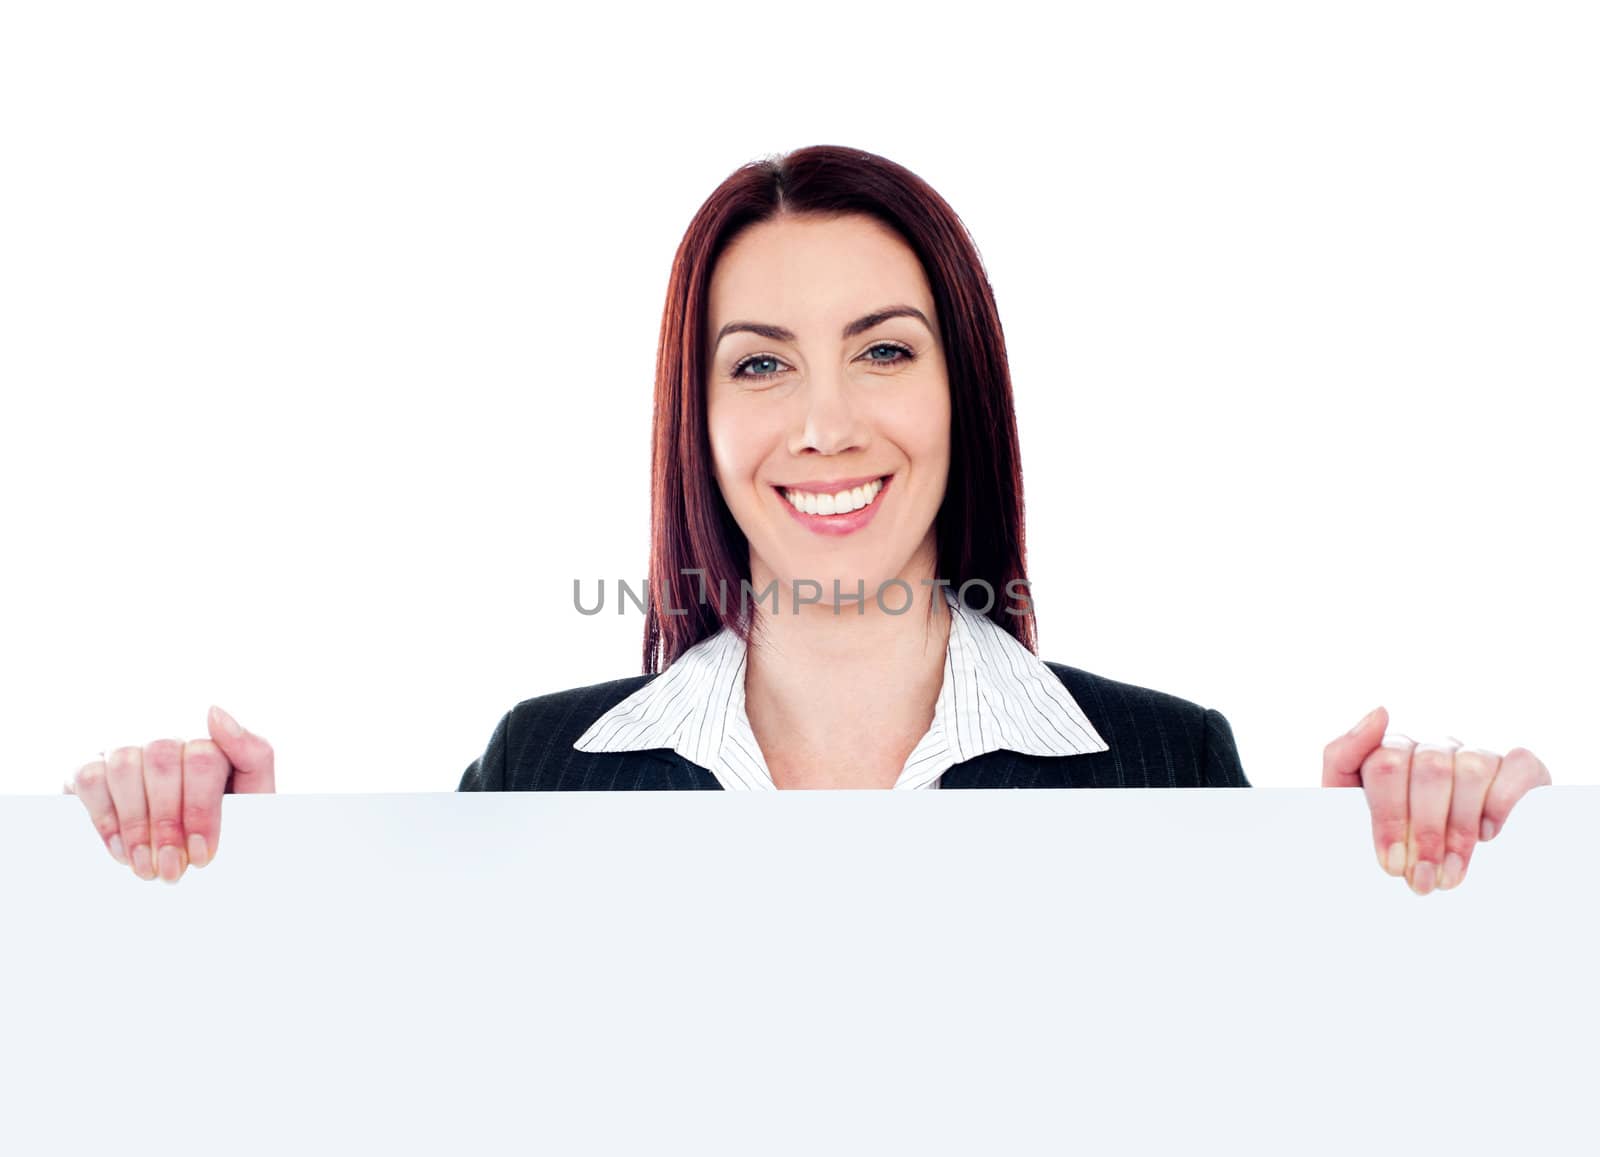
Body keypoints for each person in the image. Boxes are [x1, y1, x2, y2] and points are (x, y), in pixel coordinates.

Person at [63, 145, 1552, 894]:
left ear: (963, 391)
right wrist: (236, 899)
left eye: (885, 350)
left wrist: (1435, 893)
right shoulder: (538, 777)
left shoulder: (1169, 771)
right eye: (760, 363)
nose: (824, 419)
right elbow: (403, 1117)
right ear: (696, 423)